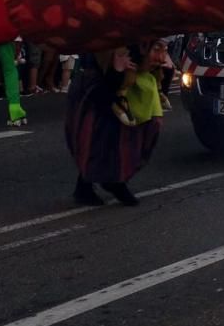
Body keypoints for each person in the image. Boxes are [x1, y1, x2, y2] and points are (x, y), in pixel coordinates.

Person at [65, 42, 166, 207]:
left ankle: (114, 179)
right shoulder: (103, 49)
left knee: (129, 138)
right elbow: (101, 84)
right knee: (99, 140)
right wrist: (117, 69)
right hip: (98, 91)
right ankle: (96, 184)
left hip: (123, 84)